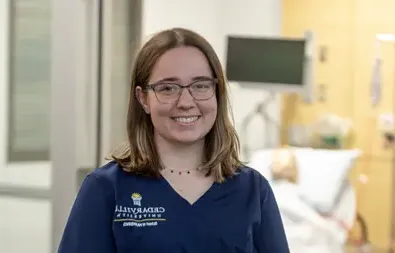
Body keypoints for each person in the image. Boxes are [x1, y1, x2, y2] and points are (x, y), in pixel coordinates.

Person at [58, 27, 289, 253]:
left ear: (217, 93)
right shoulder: (106, 189)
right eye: (168, 88)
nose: (186, 101)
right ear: (143, 99)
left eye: (200, 86)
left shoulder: (253, 191)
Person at [270, 147, 344, 253]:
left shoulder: (299, 192)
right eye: (278, 161)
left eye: (287, 162)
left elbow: (308, 215)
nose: (283, 165)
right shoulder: (266, 190)